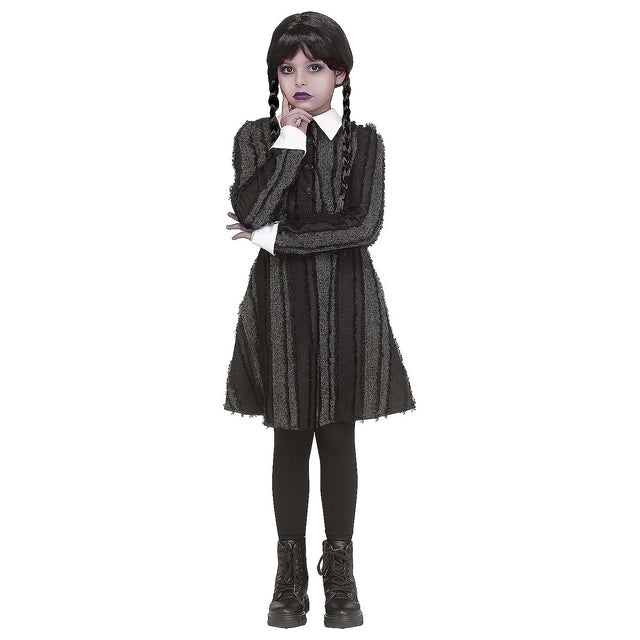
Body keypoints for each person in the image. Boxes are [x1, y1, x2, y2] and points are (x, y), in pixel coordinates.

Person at [223, 11, 416, 629]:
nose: (300, 80)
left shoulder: (366, 143)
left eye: (314, 67)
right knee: (288, 436)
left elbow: (364, 227)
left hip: (347, 306)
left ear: (341, 74)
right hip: (279, 306)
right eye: (287, 68)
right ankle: (289, 575)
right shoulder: (256, 138)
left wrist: (277, 239)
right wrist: (288, 143)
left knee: (337, 435)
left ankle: (340, 572)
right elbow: (251, 207)